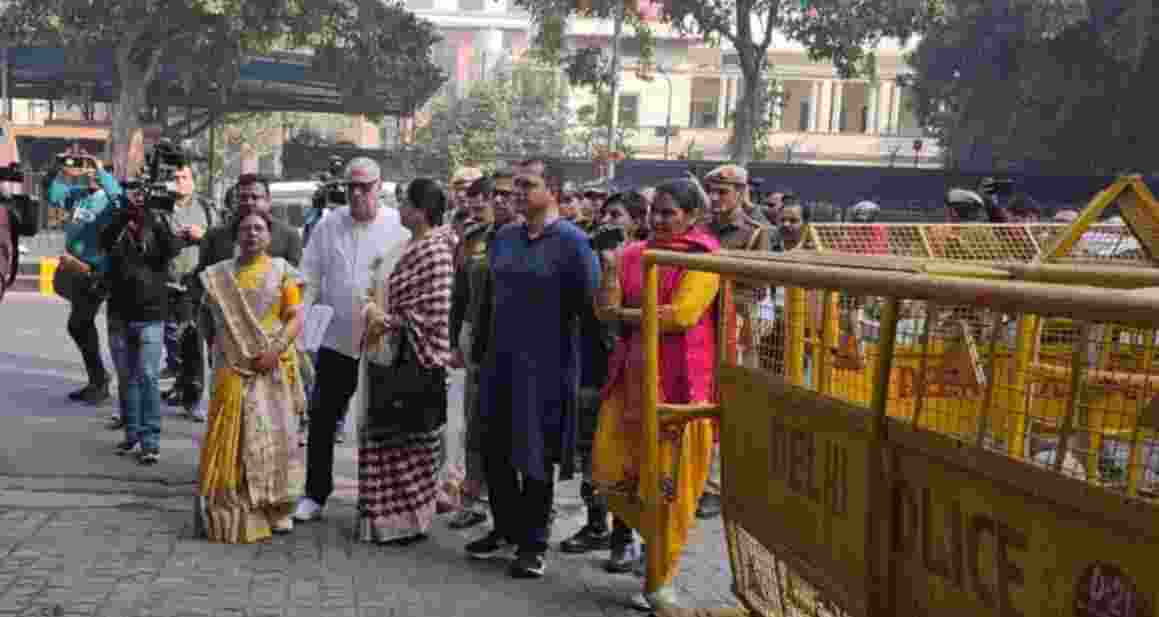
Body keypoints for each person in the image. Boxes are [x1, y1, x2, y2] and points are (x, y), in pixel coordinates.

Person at [592, 177, 721, 610]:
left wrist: (625, 315)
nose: (660, 220)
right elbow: (601, 309)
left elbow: (682, 315)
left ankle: (660, 580)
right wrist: (609, 270)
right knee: (609, 473)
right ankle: (652, 547)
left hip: (681, 388)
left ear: (692, 216)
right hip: (630, 378)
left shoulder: (704, 259)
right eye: (655, 212)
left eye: (669, 213)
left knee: (672, 487)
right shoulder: (633, 254)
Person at [465, 171, 600, 579]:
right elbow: (487, 298)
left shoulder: (574, 244)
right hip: (498, 362)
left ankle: (533, 544)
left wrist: (587, 375)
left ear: (554, 193)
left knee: (536, 456)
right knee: (494, 450)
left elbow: (591, 311)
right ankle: (505, 530)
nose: (518, 194)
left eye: (527, 186)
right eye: (515, 187)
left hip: (547, 368)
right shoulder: (504, 236)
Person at [293, 157, 411, 523]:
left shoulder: (399, 226)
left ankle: (380, 498)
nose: (357, 193)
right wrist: (298, 322)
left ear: (380, 187)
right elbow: (309, 276)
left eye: (365, 186)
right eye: (351, 187)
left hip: (383, 339)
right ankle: (315, 493)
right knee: (323, 415)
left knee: (383, 419)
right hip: (337, 337)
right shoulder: (329, 224)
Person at [195, 210, 307, 542]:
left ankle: (276, 507)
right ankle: (237, 500)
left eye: (259, 229)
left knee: (274, 436)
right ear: (235, 236)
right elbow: (205, 316)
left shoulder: (282, 272)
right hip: (231, 366)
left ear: (269, 237)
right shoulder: (218, 276)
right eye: (245, 229)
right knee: (233, 434)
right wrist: (220, 347)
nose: (252, 234)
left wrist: (277, 350)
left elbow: (295, 317)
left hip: (271, 366)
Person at [358, 178, 456, 544]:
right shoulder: (402, 247)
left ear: (420, 210)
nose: (398, 210)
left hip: (416, 359)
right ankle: (382, 521)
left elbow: (436, 309)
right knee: (381, 437)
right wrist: (372, 307)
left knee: (412, 441)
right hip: (383, 353)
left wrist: (395, 320)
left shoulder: (436, 250)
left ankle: (412, 520)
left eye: (404, 204)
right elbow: (376, 287)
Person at [560, 191, 648, 555]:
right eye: (605, 214)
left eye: (617, 215)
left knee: (624, 459)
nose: (608, 220)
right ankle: (595, 524)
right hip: (591, 370)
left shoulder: (646, 261)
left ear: (636, 222)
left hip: (628, 373)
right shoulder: (591, 255)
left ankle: (623, 536)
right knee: (589, 454)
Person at [99, 185, 187, 464]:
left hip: (151, 314)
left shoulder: (157, 224)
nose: (137, 197)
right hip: (120, 314)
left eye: (141, 193)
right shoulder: (117, 222)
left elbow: (173, 249)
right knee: (127, 377)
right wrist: (123, 216)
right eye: (131, 192)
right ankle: (132, 434)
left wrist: (155, 219)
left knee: (148, 375)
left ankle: (150, 441)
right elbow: (104, 241)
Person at [48, 147, 123, 405]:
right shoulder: (79, 195)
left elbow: (120, 199)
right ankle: (97, 379)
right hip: (73, 271)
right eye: (87, 169)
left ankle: (99, 380)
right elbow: (55, 195)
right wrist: (61, 170)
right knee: (80, 325)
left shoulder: (111, 201)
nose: (89, 174)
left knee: (79, 324)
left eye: (94, 170)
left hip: (95, 272)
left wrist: (100, 169)